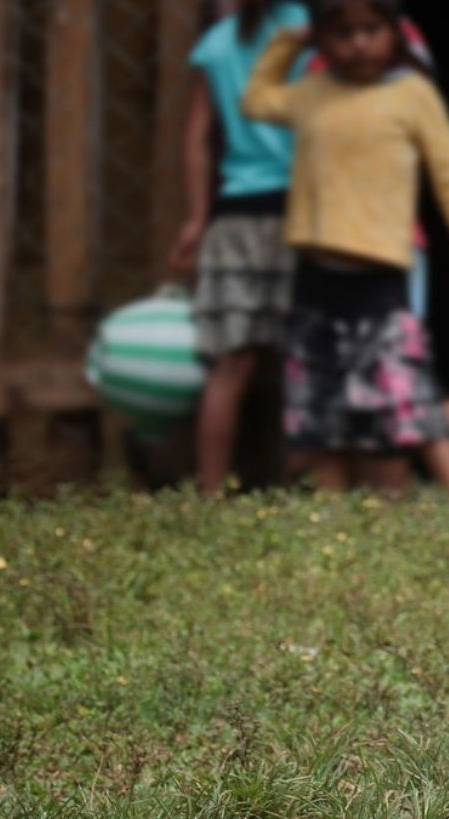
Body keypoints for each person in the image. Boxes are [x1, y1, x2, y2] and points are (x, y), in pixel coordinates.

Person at [241, 0, 449, 501]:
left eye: (371, 29)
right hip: (315, 284)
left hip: (380, 283)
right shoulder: (311, 93)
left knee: (396, 409)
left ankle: (447, 508)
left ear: (395, 33)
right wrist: (290, 41)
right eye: (343, 33)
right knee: (322, 416)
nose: (358, 43)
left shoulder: (412, 95)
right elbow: (256, 101)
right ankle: (336, 525)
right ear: (322, 39)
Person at [171, 0, 309, 496]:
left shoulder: (215, 44)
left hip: (234, 217)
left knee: (229, 365)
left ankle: (211, 492)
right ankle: (312, 485)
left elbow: (198, 136)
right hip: (302, 212)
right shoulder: (304, 27)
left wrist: (197, 217)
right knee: (305, 357)